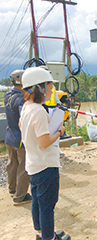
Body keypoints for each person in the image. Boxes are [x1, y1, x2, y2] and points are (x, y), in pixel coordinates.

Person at [19, 67, 71, 240]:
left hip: (33, 164)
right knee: (47, 206)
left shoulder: (26, 106)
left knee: (37, 202)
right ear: (39, 88)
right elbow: (45, 142)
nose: (50, 92)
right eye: (49, 88)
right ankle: (49, 237)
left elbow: (21, 126)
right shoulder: (39, 111)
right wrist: (59, 131)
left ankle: (41, 233)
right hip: (46, 165)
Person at [4, 69, 31, 206]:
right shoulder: (21, 98)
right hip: (19, 138)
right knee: (24, 167)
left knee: (12, 164)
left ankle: (12, 188)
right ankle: (20, 196)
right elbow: (24, 118)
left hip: (9, 135)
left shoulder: (7, 94)